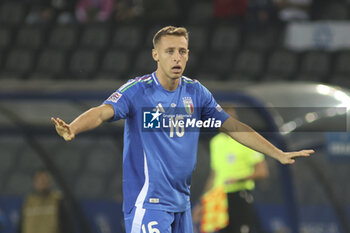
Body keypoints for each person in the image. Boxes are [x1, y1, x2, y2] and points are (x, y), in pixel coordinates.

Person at [51, 26, 314, 233]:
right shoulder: (138, 90)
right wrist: (74, 128)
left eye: (182, 51)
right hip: (149, 203)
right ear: (155, 54)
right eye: (170, 51)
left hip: (181, 205)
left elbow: (234, 126)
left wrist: (277, 153)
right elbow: (102, 112)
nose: (177, 57)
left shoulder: (196, 92)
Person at [192, 106, 269, 233]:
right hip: (219, 198)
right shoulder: (216, 142)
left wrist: (239, 179)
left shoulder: (247, 140)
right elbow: (214, 174)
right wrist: (202, 203)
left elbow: (263, 172)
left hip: (239, 195)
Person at [17, 169, 74, 233]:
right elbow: (21, 227)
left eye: (45, 180)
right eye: (40, 180)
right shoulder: (28, 202)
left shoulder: (57, 200)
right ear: (35, 182)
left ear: (50, 182)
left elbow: (67, 226)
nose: (43, 182)